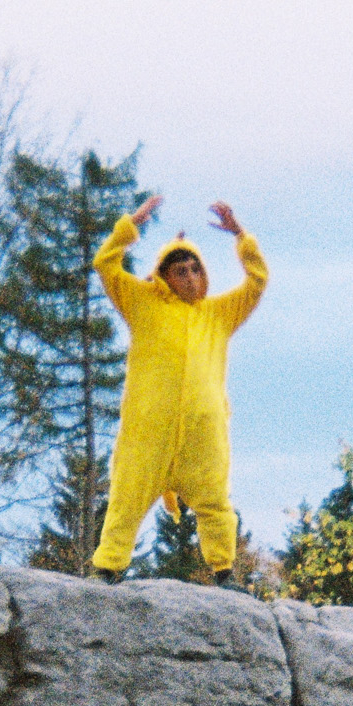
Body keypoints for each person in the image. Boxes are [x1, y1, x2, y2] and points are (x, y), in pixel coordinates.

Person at [88, 195, 268, 586]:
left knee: (216, 503)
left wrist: (240, 235)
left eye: (195, 269)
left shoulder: (219, 314)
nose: (190, 277)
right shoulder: (142, 303)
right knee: (127, 496)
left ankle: (224, 572)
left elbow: (257, 281)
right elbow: (105, 263)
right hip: (148, 431)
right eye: (180, 271)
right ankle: (107, 567)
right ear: (164, 276)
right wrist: (130, 225)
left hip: (202, 436)